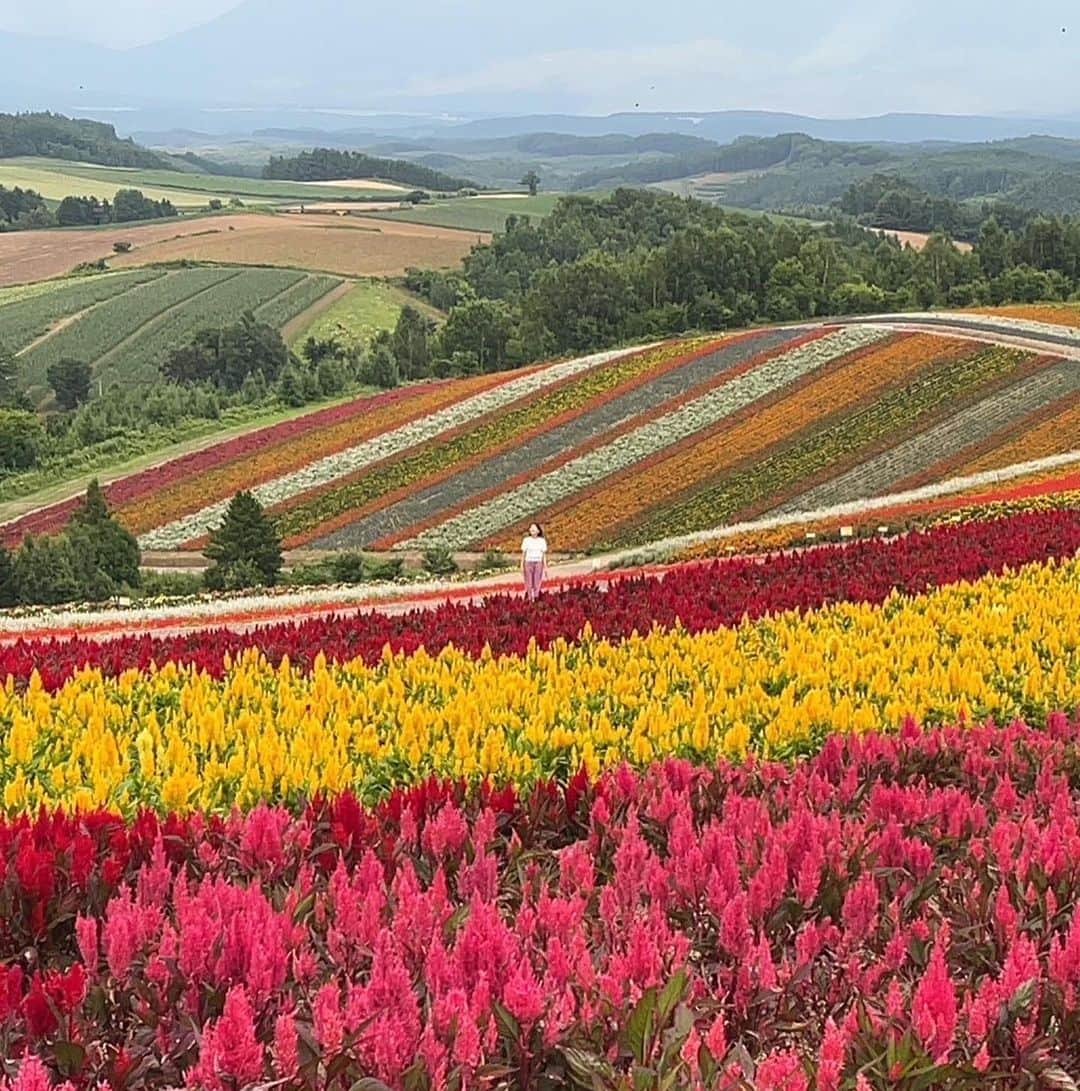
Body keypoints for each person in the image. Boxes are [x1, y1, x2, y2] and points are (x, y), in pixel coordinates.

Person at [521, 523, 548, 601]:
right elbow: (523, 554)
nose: (532, 529)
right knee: (528, 583)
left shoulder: (542, 541)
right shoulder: (526, 540)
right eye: (531, 528)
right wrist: (521, 565)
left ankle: (536, 597)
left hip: (538, 563)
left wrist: (545, 567)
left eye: (534, 528)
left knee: (537, 582)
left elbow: (543, 555)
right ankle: (529, 598)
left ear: (538, 531)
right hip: (528, 562)